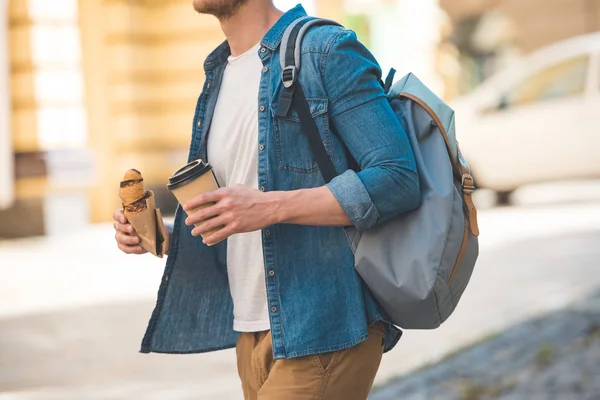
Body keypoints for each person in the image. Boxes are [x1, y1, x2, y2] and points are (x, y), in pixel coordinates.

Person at [112, 1, 420, 399]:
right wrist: (165, 237)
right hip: (251, 331)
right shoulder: (218, 75)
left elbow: (397, 178)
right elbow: (238, 213)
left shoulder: (326, 50)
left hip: (324, 324)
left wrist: (271, 205)